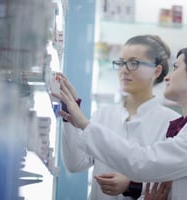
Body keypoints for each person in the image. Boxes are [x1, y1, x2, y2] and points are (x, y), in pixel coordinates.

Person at [52, 46, 187, 200]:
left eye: (176, 68)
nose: (168, 77)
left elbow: (142, 161)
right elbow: (167, 180)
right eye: (121, 63)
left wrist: (84, 123)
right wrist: (134, 186)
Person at [56, 35, 180, 200]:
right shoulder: (103, 114)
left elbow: (169, 185)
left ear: (156, 71)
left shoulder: (172, 122)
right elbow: (75, 164)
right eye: (121, 62)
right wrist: (69, 114)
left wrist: (132, 185)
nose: (124, 69)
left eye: (133, 63)